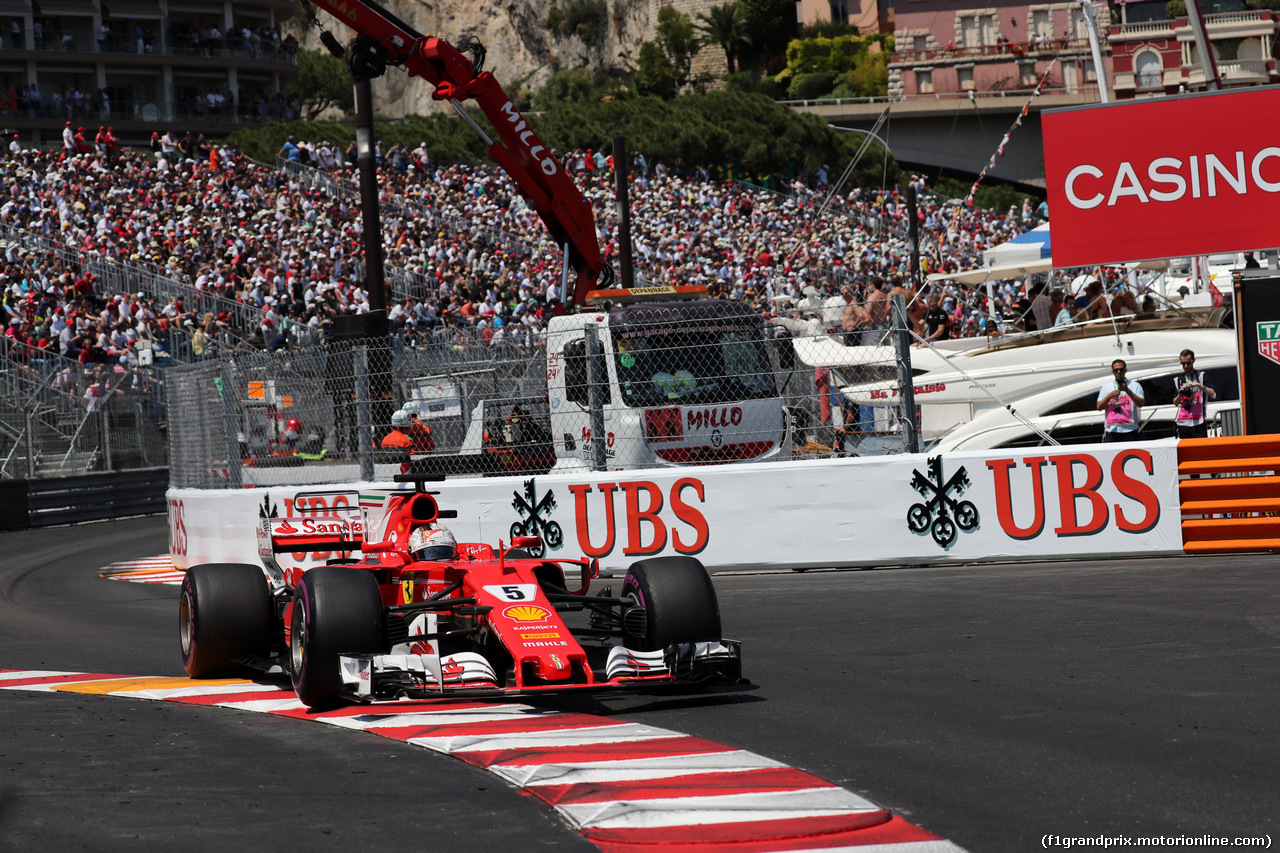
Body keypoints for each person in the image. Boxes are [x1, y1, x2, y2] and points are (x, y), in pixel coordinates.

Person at [1097, 359, 1145, 442]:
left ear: (1125, 370)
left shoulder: (1135, 385)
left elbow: (1141, 403)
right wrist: (1109, 396)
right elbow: (1099, 407)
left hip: (1130, 430)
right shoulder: (1106, 387)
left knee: (1132, 455)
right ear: (1113, 372)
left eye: (1121, 369)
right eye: (1116, 370)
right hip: (1111, 430)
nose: (1119, 372)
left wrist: (1128, 391)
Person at [1172, 348, 1215, 438]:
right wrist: (1180, 395)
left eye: (1188, 363)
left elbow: (1213, 394)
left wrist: (1199, 385)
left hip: (1198, 422)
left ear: (1193, 361)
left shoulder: (1202, 376)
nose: (1186, 366)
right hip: (1183, 422)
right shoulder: (1178, 380)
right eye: (1183, 363)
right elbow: (1175, 403)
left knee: (1200, 450)